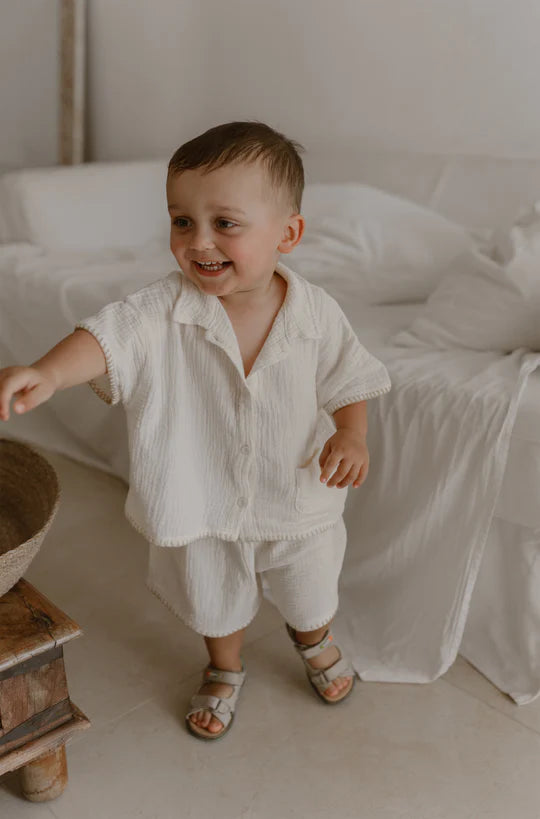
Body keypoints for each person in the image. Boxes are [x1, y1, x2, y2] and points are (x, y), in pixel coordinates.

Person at [0, 120, 391, 741]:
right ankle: (224, 667)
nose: (198, 242)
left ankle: (312, 637)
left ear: (287, 233)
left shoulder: (316, 314)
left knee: (309, 586)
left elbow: (352, 379)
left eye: (225, 224)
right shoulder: (162, 306)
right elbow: (107, 337)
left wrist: (352, 433)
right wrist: (47, 373)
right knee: (214, 597)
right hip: (201, 498)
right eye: (182, 222)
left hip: (296, 497)